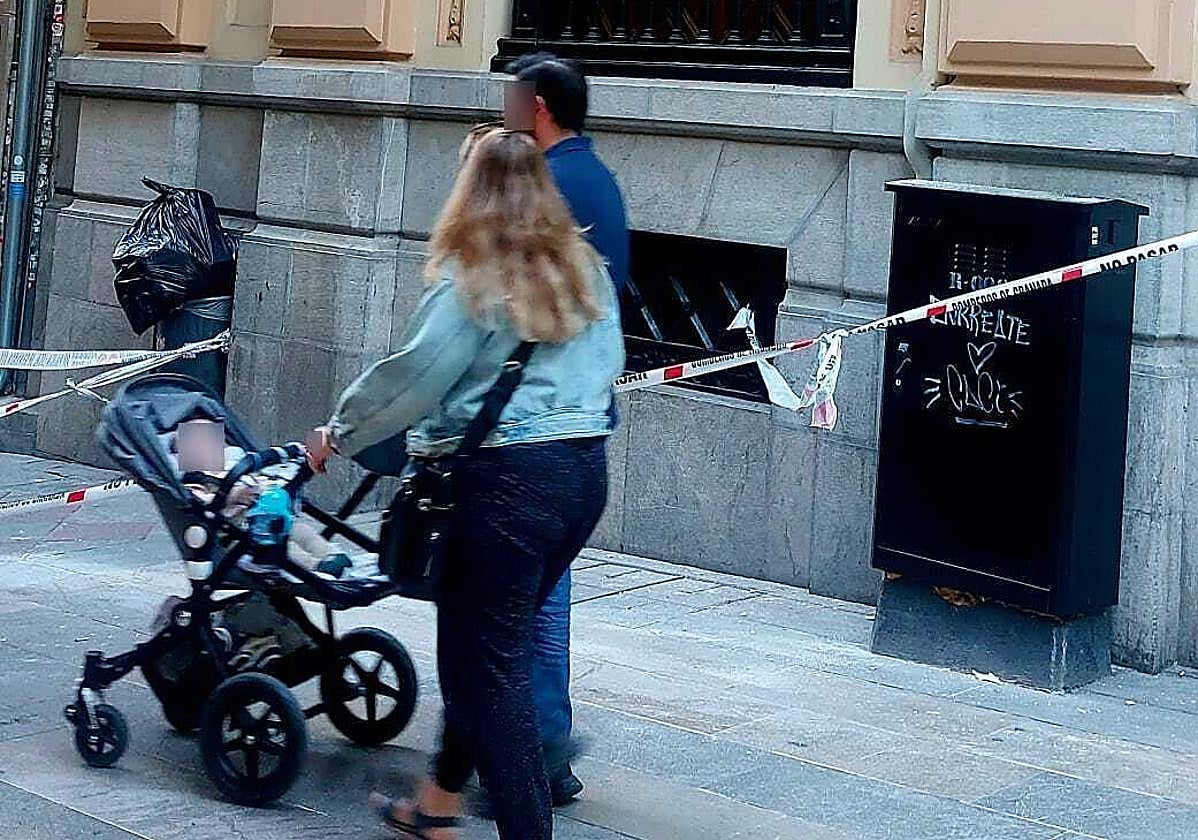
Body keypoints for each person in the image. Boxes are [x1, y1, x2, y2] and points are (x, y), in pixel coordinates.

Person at [307, 128, 624, 839]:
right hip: (580, 477)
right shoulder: (585, 266)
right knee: (480, 647)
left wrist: (338, 434)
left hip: (505, 487)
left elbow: (415, 376)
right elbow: (610, 364)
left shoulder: (473, 274)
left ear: (469, 191)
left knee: (495, 668)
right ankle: (439, 805)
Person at [502, 51, 630, 804]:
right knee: (540, 595)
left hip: (536, 427)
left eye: (513, 99)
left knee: (509, 602)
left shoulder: (548, 185)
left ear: (540, 106)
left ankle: (531, 746)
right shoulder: (599, 180)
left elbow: (510, 311)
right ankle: (540, 740)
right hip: (579, 426)